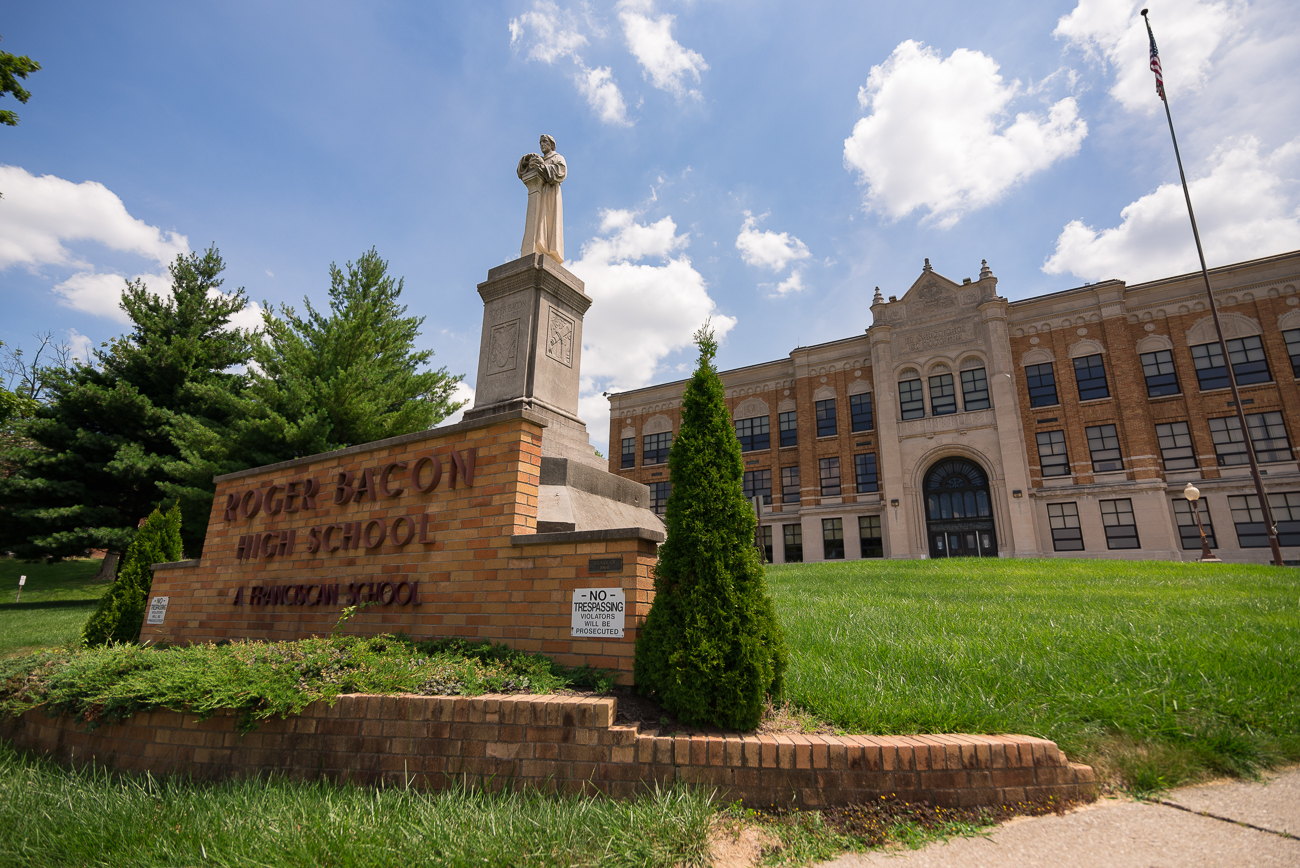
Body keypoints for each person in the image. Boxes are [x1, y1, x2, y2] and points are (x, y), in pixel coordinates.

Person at [517, 135, 566, 263]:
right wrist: (527, 159)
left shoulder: (557, 158)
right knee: (537, 220)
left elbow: (560, 172)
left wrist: (542, 167)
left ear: (551, 144)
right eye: (540, 143)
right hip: (538, 194)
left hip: (550, 194)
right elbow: (521, 171)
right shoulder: (539, 159)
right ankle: (536, 246)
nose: (542, 145)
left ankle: (547, 250)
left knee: (548, 221)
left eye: (544, 142)